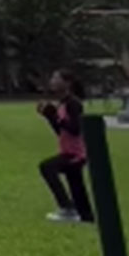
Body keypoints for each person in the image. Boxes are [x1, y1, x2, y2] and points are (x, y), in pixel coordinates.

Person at [36, 69, 95, 223]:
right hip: (69, 150)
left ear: (67, 83)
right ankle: (86, 216)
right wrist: (49, 117)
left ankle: (67, 208)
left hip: (75, 153)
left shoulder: (73, 103)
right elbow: (60, 131)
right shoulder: (63, 103)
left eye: (56, 78)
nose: (52, 80)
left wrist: (56, 117)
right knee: (76, 184)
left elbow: (75, 129)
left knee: (47, 167)